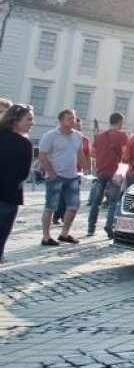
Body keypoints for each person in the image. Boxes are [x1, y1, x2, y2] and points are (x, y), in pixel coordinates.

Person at [38, 109, 87, 246]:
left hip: (72, 176)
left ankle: (65, 233)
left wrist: (85, 167)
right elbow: (42, 155)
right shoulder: (51, 135)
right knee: (50, 207)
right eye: (70, 118)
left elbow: (79, 152)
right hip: (56, 176)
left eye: (74, 118)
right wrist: (51, 173)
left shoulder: (77, 136)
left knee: (73, 206)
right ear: (61, 120)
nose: (73, 121)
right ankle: (46, 236)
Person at [0, 104, 35, 263]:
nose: (31, 123)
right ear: (15, 119)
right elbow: (24, 174)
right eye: (28, 119)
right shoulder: (25, 143)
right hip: (9, 196)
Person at [88, 112, 128, 238]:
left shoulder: (100, 136)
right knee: (113, 201)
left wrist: (102, 157)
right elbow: (126, 154)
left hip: (101, 171)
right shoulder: (122, 136)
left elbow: (92, 153)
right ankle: (110, 225)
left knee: (96, 201)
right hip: (118, 171)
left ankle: (91, 228)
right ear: (120, 122)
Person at [54, 116, 92, 225]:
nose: (78, 129)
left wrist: (88, 169)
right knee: (62, 195)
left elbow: (87, 155)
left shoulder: (85, 140)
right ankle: (58, 215)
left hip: (77, 172)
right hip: (63, 170)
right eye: (76, 126)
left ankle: (63, 215)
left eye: (80, 127)